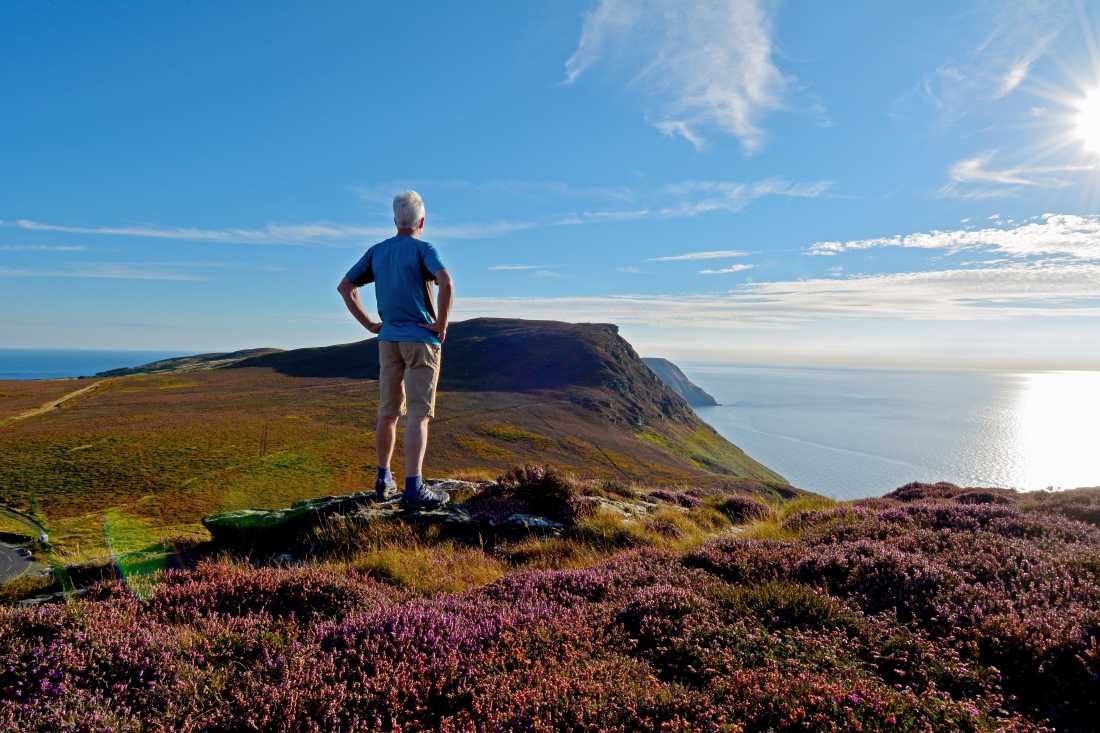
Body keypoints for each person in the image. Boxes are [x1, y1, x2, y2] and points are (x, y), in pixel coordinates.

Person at [337, 191, 454, 508]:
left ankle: (383, 478)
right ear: (422, 221)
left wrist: (369, 324)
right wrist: (440, 324)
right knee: (418, 415)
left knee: (388, 413)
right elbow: (446, 282)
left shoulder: (378, 252)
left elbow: (346, 287)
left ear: (395, 219)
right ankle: (414, 486)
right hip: (420, 339)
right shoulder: (423, 250)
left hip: (388, 340)